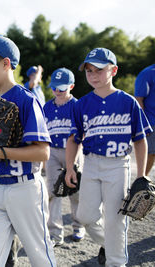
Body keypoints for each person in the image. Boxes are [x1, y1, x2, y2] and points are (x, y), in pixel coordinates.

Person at [0, 35, 56, 266]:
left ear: (6, 64)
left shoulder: (26, 99)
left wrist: (2, 152)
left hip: (24, 188)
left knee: (39, 255)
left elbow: (43, 153)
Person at [65, 48, 151, 266]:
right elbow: (73, 139)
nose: (93, 75)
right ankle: (109, 243)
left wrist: (141, 175)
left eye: (99, 70)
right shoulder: (82, 104)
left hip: (118, 165)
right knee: (85, 217)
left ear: (114, 70)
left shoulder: (128, 102)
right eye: (89, 71)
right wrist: (69, 168)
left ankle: (116, 262)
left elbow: (140, 140)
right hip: (92, 163)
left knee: (115, 220)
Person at [43, 68, 85, 247]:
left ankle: (78, 225)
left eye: (62, 88)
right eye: (54, 88)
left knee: (75, 191)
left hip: (74, 151)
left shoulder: (77, 105)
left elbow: (82, 133)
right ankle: (55, 232)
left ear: (71, 86)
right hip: (52, 152)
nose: (58, 92)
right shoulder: (46, 107)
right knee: (54, 192)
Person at [134, 64, 155, 175]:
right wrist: (142, 124)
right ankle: (141, 181)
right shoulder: (147, 73)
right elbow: (138, 99)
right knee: (150, 153)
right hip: (151, 121)